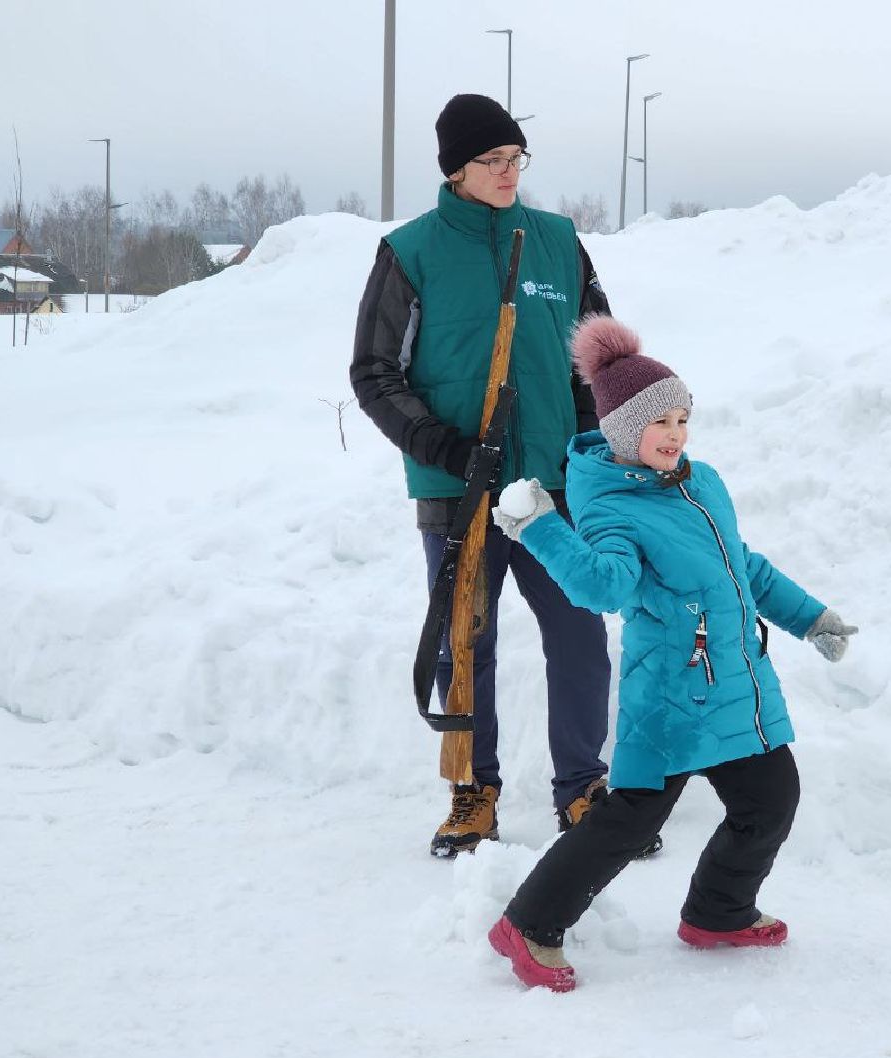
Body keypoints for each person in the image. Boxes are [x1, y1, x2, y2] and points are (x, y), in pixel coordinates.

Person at [484, 316, 858, 991]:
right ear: (625, 429)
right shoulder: (611, 506)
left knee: (772, 799)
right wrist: (539, 528)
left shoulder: (700, 482)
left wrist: (812, 618)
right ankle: (529, 923)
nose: (676, 434)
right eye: (661, 422)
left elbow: (742, 566)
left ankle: (719, 911)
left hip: (736, 684)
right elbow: (604, 585)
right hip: (672, 693)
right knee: (628, 823)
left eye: (683, 419)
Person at [350, 94, 649, 859]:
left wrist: (604, 451)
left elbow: (601, 363)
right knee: (466, 642)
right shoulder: (411, 252)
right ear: (457, 169)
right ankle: (472, 790)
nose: (511, 172)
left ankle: (583, 786)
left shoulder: (556, 243)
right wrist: (443, 450)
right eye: (494, 160)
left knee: (580, 636)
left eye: (518, 159)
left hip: (553, 488)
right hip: (459, 489)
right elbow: (375, 372)